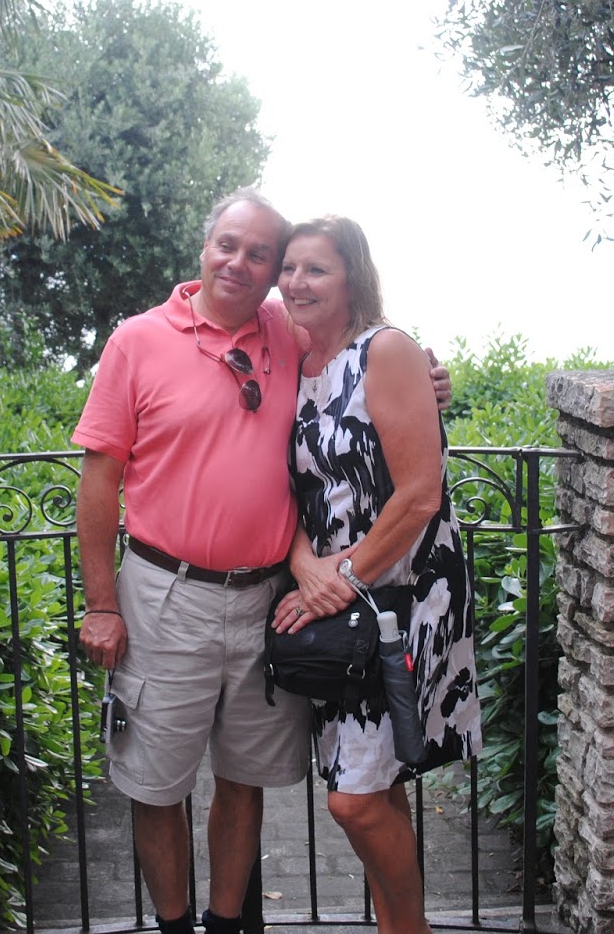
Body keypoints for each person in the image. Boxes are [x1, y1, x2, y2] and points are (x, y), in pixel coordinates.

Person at [74, 189, 448, 934]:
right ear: (204, 246)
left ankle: (227, 926)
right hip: (165, 594)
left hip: (268, 598)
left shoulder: (286, 329)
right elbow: (99, 480)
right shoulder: (137, 340)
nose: (240, 264)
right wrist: (102, 603)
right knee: (155, 785)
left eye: (259, 255)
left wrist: (429, 375)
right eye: (228, 245)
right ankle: (175, 926)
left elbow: (366, 352)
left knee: (245, 779)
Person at [270, 215, 481, 934]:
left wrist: (342, 576)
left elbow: (420, 493)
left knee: (354, 800)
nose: (297, 282)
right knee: (375, 787)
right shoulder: (293, 359)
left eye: (316, 268)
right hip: (337, 599)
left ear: (352, 276)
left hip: (402, 597)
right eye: (289, 267)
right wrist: (305, 564)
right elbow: (287, 487)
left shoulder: (384, 350)